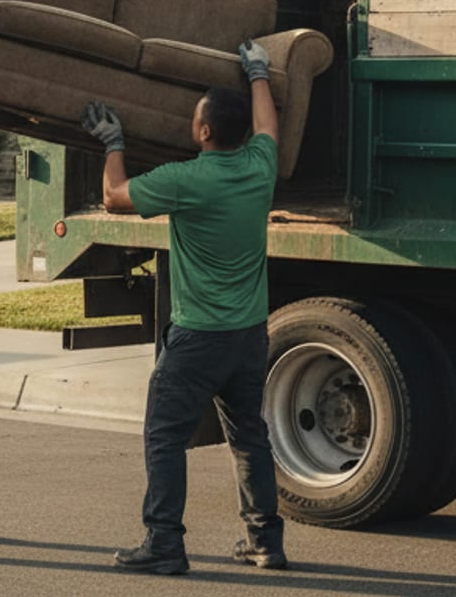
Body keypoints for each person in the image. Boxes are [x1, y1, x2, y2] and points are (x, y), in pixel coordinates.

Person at [81, 39, 287, 575]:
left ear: (204, 132)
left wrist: (113, 142)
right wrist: (259, 73)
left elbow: (114, 196)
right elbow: (269, 127)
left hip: (199, 339)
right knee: (249, 436)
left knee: (164, 436)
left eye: (196, 118)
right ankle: (264, 541)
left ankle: (164, 543)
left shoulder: (187, 180)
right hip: (248, 335)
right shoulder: (261, 165)